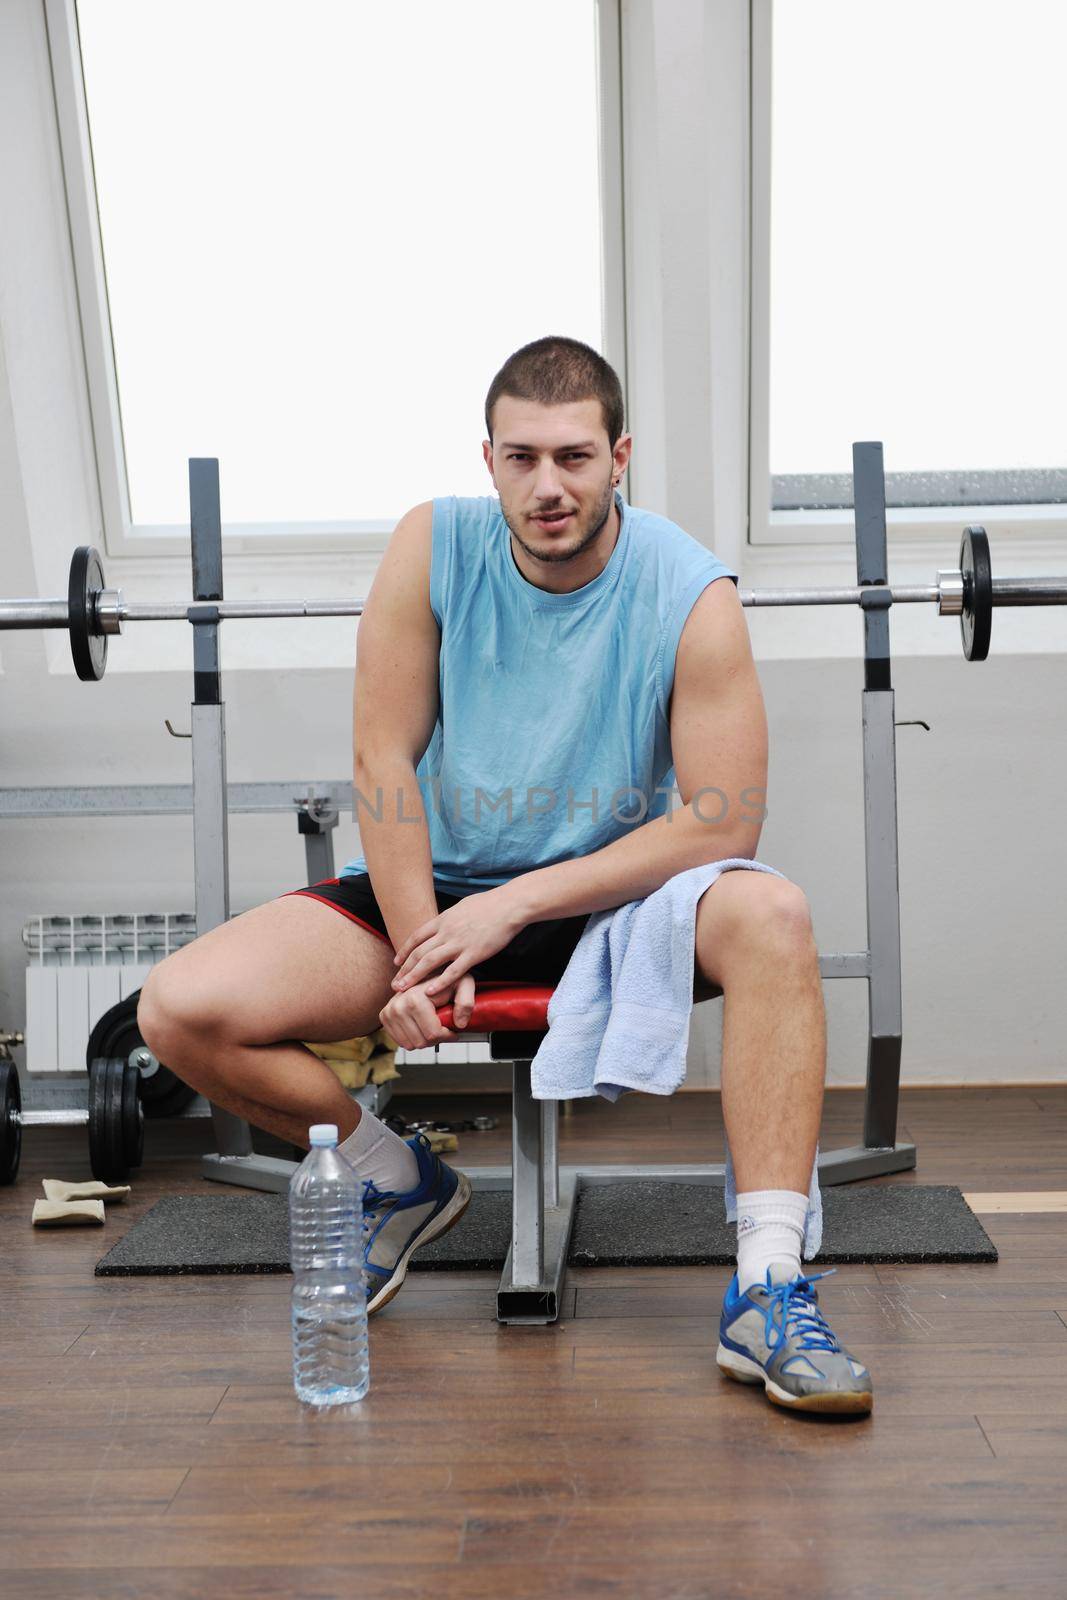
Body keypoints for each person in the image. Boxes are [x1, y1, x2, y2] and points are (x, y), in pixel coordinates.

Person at [138, 335, 872, 1415]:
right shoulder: (430, 546)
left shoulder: (688, 588)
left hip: (605, 896)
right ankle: (395, 1178)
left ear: (619, 455)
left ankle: (768, 1283)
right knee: (179, 1008)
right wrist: (423, 939)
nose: (547, 485)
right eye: (521, 457)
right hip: (432, 882)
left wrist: (515, 903)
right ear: (486, 458)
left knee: (771, 911)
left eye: (573, 456)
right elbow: (382, 763)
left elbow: (720, 822)